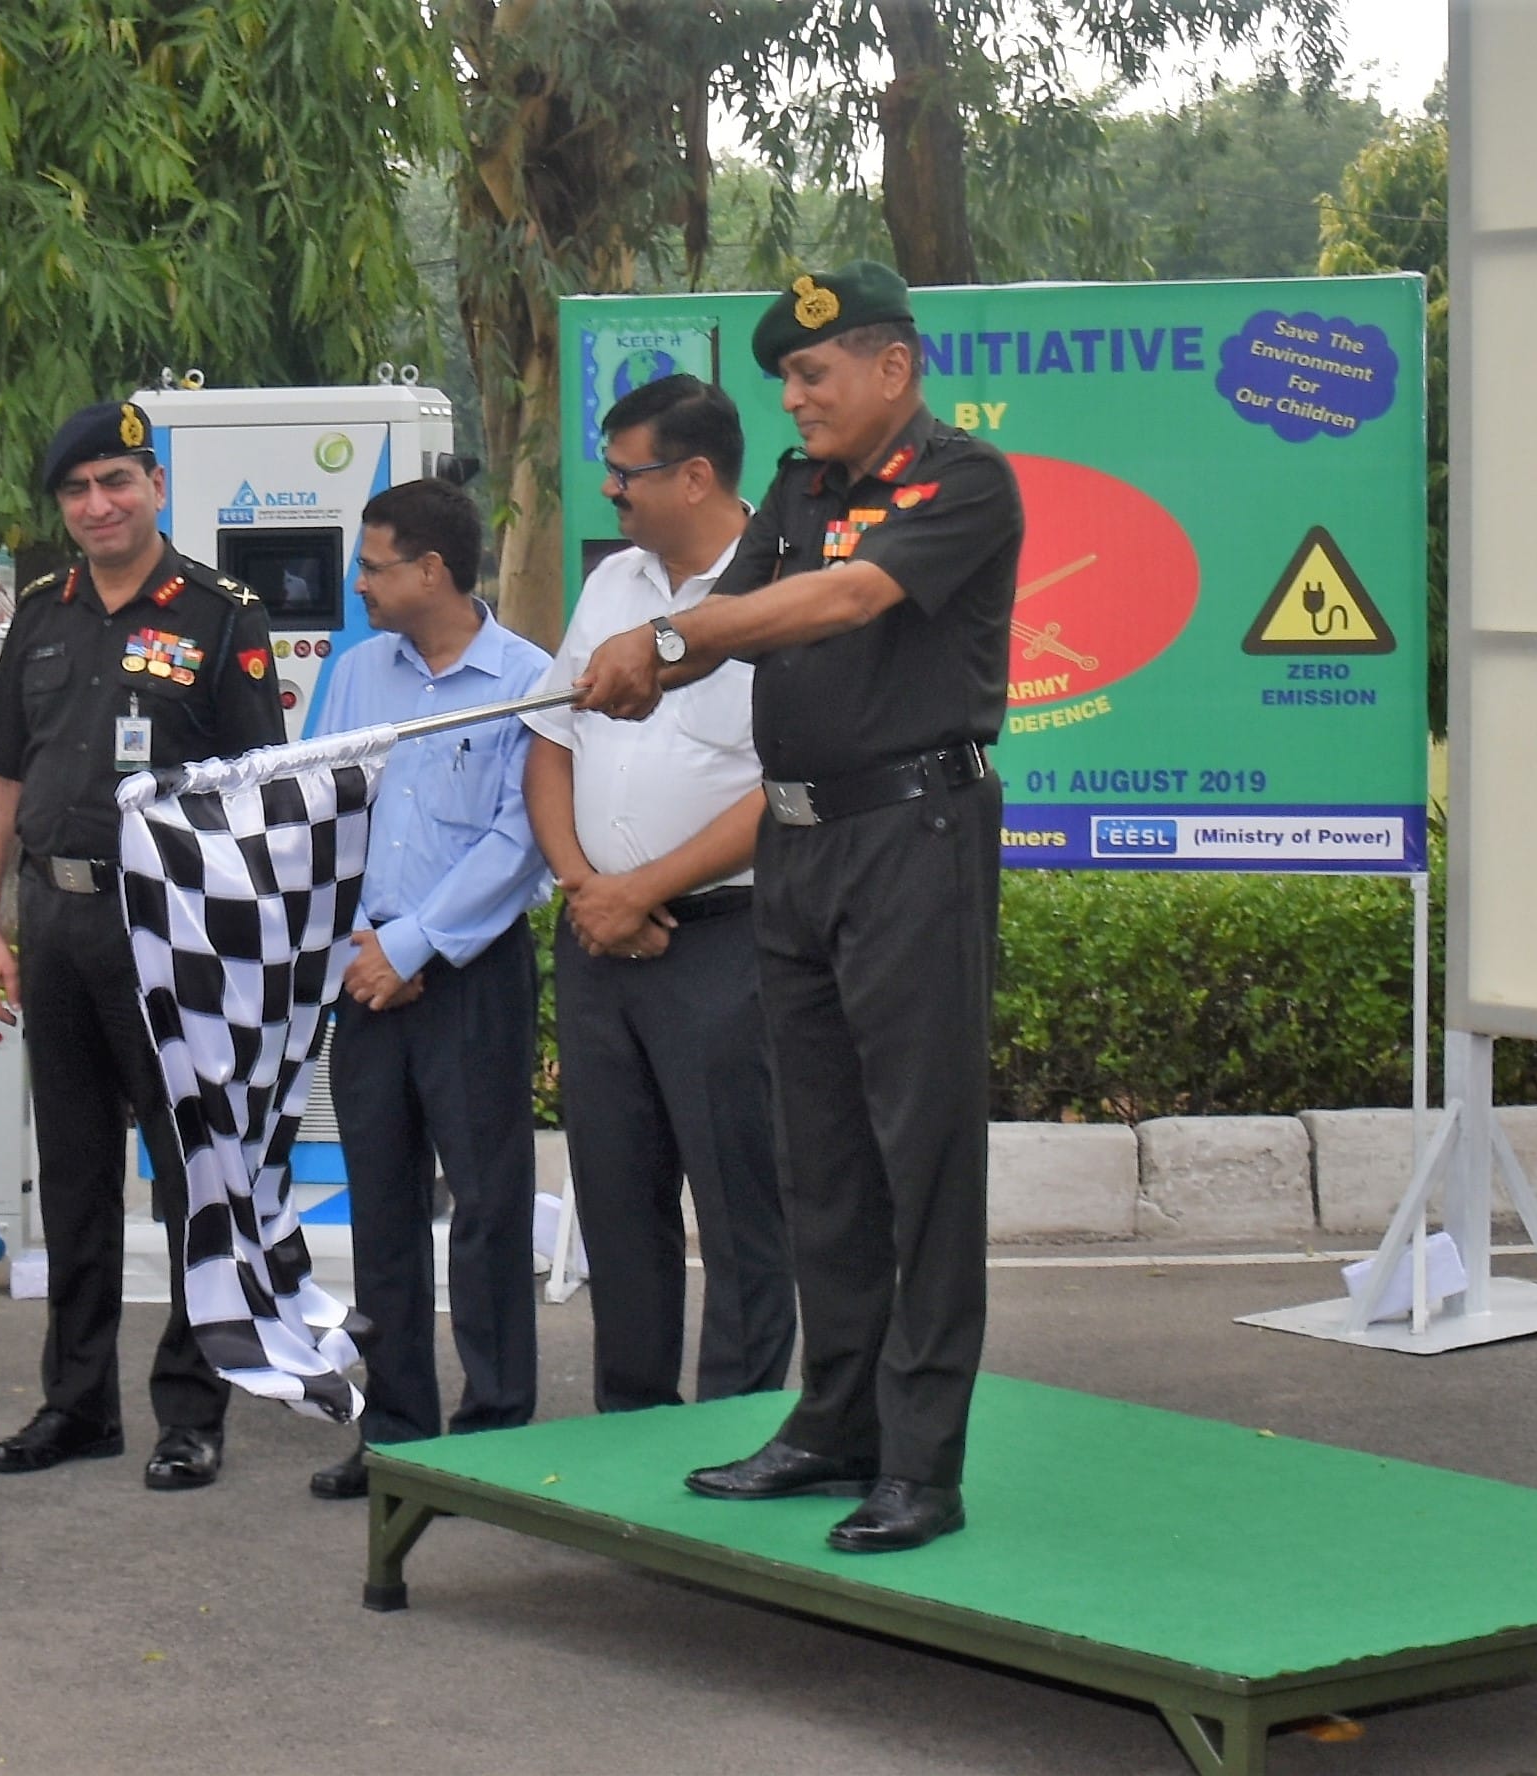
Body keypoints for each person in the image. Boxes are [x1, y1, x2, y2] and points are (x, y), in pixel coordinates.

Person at [570, 262, 1020, 1554]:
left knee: (919, 1157)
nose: (794, 397)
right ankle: (833, 1423)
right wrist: (643, 664)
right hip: (799, 844)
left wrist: (665, 645)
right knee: (818, 1156)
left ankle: (921, 1464)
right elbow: (730, 613)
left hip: (910, 838)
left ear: (891, 367)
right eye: (783, 377)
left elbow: (842, 597)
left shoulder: (961, 481)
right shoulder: (796, 488)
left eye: (812, 374)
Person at [0, 398, 286, 1485]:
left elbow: (255, 800)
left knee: (193, 1175)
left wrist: (235, 949)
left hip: (170, 931)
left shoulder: (222, 618)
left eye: (116, 482)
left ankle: (191, 1412)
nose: (97, 505)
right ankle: (76, 1405)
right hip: (55, 922)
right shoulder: (40, 615)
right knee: (74, 1175)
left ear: (156, 488)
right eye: (77, 490)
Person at [524, 373, 796, 1430]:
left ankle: (737, 1433)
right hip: (600, 942)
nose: (609, 490)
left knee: (739, 1209)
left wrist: (642, 888)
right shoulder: (612, 585)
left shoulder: (784, 588)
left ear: (693, 477)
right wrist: (587, 888)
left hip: (724, 942)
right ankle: (631, 1431)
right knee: (616, 1204)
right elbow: (550, 742)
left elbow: (788, 786)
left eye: (624, 473)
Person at [299, 479, 553, 1502]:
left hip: (468, 973)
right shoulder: (357, 673)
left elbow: (519, 840)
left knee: (487, 1205)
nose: (357, 584)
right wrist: (361, 952)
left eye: (372, 566)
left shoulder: (526, 678)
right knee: (382, 1208)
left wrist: (410, 947)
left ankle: (492, 1436)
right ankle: (397, 1433)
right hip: (361, 975)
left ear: (432, 570)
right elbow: (318, 808)